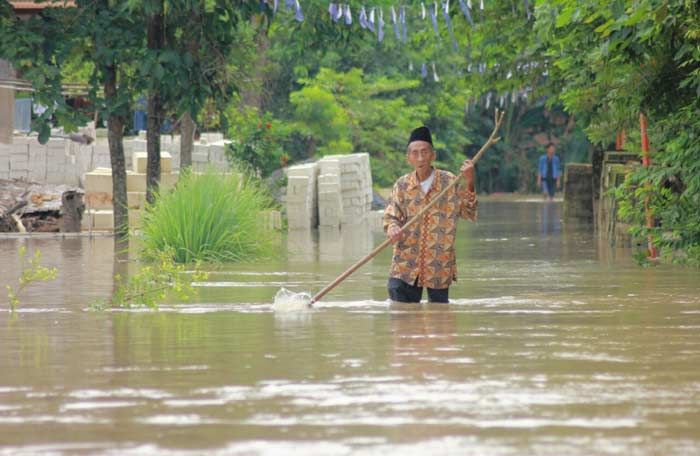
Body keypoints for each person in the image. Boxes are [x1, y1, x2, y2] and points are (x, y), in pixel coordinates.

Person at [383, 126, 478, 303]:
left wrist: (470, 181)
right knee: (401, 319)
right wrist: (393, 228)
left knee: (440, 320)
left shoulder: (450, 182)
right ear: (408, 158)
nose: (420, 158)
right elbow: (391, 217)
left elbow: (469, 212)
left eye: (425, 152)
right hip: (405, 264)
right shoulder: (402, 185)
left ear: (433, 155)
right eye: (415, 153)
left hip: (438, 264)